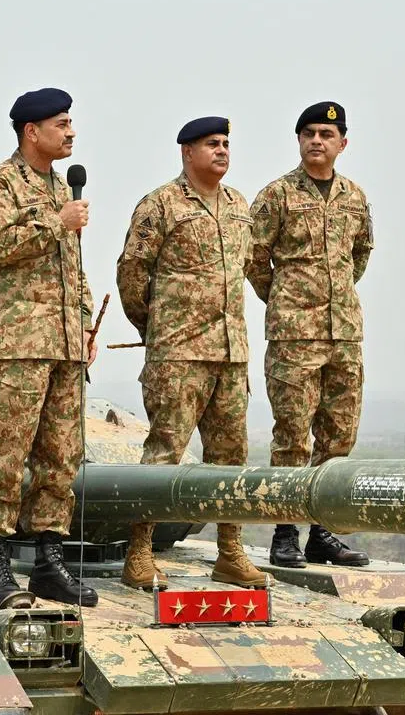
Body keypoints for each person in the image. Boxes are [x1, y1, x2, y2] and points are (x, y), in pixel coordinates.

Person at [115, 116, 270, 591]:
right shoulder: (160, 205)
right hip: (178, 354)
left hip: (230, 354)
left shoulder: (240, 205)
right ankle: (138, 553)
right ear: (186, 152)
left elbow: (251, 267)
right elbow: (132, 276)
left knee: (230, 458)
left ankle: (230, 553)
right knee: (164, 453)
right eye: (211, 144)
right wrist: (159, 330)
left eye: (226, 143)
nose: (222, 150)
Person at [0, 87, 98, 608]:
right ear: (31, 132)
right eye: (62, 123)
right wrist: (54, 222)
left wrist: (84, 323)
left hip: (64, 344)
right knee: (6, 451)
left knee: (60, 456)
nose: (71, 132)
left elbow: (72, 271)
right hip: (17, 342)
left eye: (71, 122)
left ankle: (49, 561)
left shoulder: (62, 186)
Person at [246, 101, 374, 569]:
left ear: (343, 143)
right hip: (294, 337)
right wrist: (285, 301)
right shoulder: (277, 195)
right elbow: (254, 258)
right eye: (309, 133)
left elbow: (359, 256)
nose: (317, 140)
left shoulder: (355, 198)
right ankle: (285, 531)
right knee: (292, 437)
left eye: (326, 133)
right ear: (298, 141)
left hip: (344, 335)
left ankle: (323, 532)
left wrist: (333, 296)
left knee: (338, 435)